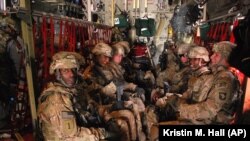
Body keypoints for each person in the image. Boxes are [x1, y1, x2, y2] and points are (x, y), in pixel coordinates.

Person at [37, 51, 111, 141]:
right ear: (58, 73)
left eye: (73, 69)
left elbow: (91, 106)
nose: (71, 74)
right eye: (65, 70)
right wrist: (103, 133)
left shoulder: (74, 90)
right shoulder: (57, 99)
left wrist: (106, 115)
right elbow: (72, 135)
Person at [83, 43, 142, 141]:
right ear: (97, 56)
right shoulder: (89, 74)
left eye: (108, 58)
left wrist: (128, 90)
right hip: (101, 108)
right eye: (104, 57)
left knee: (134, 106)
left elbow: (118, 83)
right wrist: (115, 95)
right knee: (127, 119)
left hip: (111, 101)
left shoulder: (105, 68)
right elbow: (100, 92)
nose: (107, 60)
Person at [155, 46, 214, 123]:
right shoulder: (196, 75)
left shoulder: (207, 79)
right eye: (190, 59)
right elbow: (187, 95)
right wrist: (172, 96)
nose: (191, 62)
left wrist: (178, 107)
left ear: (201, 61)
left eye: (194, 60)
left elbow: (198, 105)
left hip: (195, 117)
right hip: (189, 109)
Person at [209, 41, 242, 124]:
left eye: (216, 55)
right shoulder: (218, 74)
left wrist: (182, 110)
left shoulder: (226, 78)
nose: (211, 57)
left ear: (226, 58)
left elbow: (211, 109)